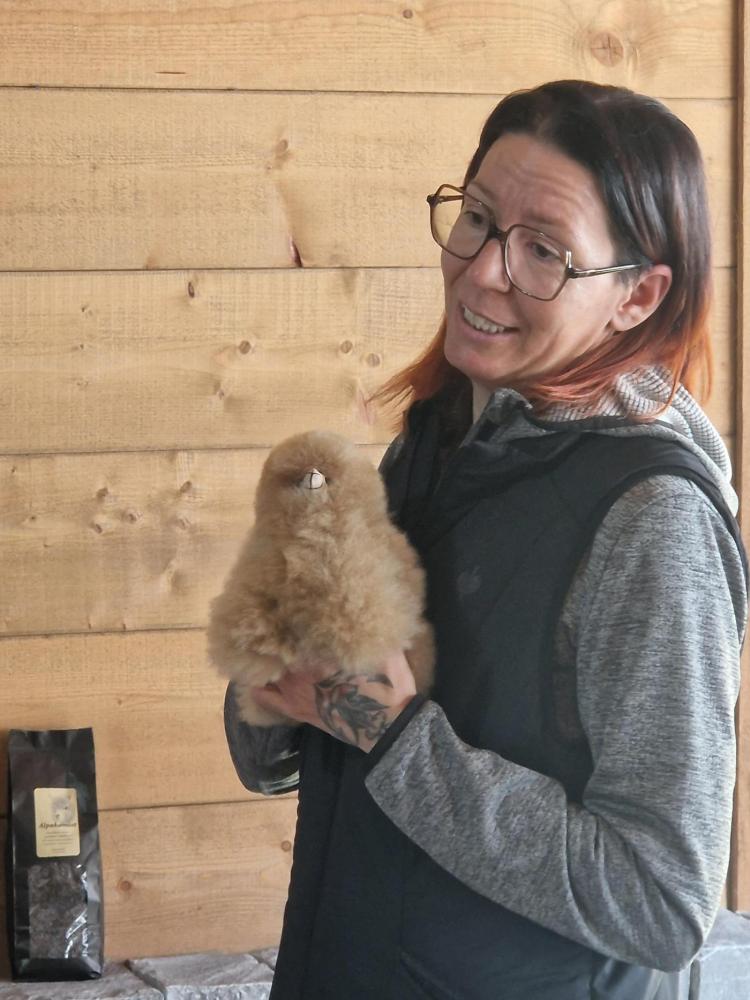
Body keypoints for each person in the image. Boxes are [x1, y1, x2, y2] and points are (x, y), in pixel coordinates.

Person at [223, 80, 748, 999]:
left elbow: (662, 903)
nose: (483, 271)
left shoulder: (653, 520)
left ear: (637, 295)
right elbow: (310, 743)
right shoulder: (434, 443)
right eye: (477, 219)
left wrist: (390, 733)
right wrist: (272, 681)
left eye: (545, 251)